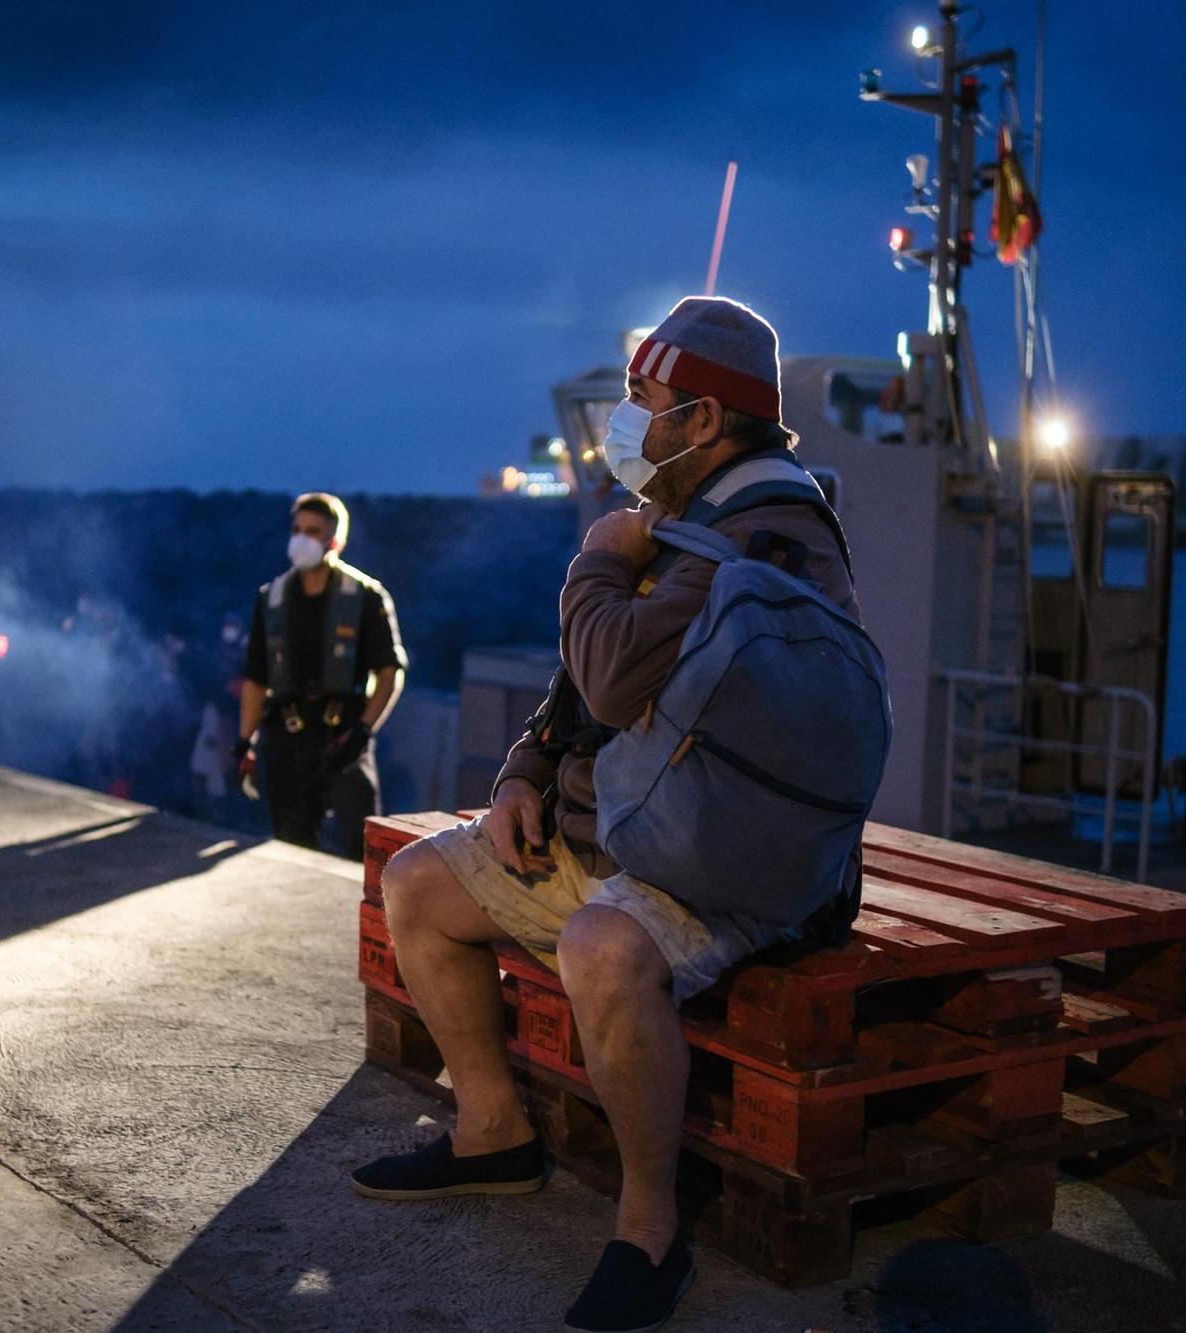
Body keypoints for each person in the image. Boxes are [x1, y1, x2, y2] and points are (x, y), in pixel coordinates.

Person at [351, 298, 861, 1331]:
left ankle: (648, 1229)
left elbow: (616, 666)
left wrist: (595, 553)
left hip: (719, 858)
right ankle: (492, 1134)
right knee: (416, 883)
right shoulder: (684, 523)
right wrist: (522, 772)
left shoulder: (765, 537)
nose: (625, 421)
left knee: (600, 946)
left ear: (708, 421)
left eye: (645, 402)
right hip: (635, 825)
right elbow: (580, 690)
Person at [236, 492, 406, 862]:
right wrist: (243, 742)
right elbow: (255, 678)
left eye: (313, 531)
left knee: (362, 849)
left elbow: (390, 672)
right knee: (291, 849)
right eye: (297, 529)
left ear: (335, 540)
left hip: (343, 737)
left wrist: (362, 731)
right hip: (287, 738)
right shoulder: (272, 598)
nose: (301, 538)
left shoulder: (365, 597)